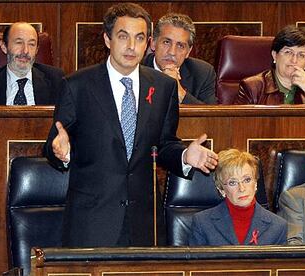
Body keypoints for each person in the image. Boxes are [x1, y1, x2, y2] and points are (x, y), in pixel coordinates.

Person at [44, 3, 218, 248]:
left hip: (144, 223)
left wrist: (185, 156)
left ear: (148, 43)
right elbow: (52, 147)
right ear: (107, 39)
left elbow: (164, 145)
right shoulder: (77, 86)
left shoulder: (162, 87)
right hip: (91, 222)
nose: (131, 46)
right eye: (123, 36)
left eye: (139, 38)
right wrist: (62, 152)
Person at [189, 149, 287, 246]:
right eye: (233, 182)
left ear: (256, 183)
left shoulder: (278, 226)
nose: (242, 188)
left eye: (247, 180)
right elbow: (197, 262)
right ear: (221, 189)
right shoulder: (202, 223)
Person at [235, 25, 305, 105]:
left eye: (301, 55)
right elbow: (239, 123)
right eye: (288, 52)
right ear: (275, 55)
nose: (294, 60)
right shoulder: (252, 87)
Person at [143, 13, 217, 104]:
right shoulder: (136, 69)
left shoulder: (202, 73)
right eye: (166, 42)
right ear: (153, 43)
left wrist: (180, 92)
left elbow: (211, 117)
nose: (172, 52)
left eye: (180, 46)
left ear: (188, 52)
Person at [0, 22, 64, 105]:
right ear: (4, 46)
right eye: (19, 42)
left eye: (31, 44)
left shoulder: (55, 79)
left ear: (37, 50)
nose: (25, 51)